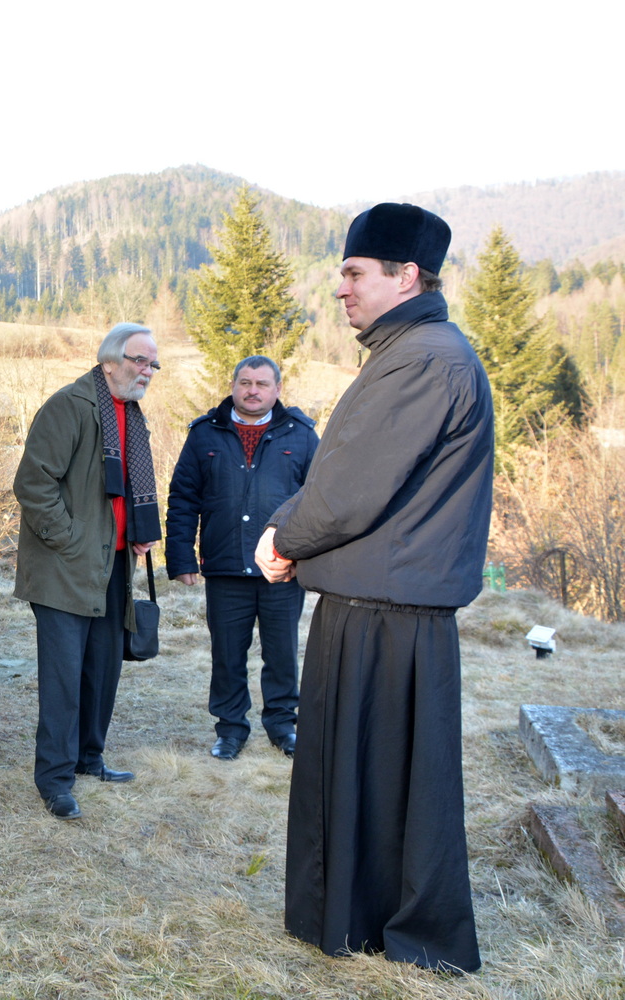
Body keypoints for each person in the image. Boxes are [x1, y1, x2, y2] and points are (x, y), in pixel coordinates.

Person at [255, 203, 492, 973]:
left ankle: (404, 933)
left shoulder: (425, 357)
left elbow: (351, 486)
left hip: (390, 614)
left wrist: (283, 539)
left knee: (388, 784)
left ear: (407, 275)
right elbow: (343, 468)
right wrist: (290, 530)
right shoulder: (411, 349)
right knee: (371, 779)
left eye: (355, 273)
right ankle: (358, 921)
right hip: (380, 606)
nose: (342, 290)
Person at [13, 322, 160, 820]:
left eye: (152, 363)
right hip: (65, 567)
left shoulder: (131, 415)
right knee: (63, 677)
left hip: (113, 563)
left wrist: (138, 529)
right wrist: (70, 540)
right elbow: (34, 484)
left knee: (103, 668)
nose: (148, 371)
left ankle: (89, 758)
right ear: (109, 362)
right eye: (140, 361)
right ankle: (54, 780)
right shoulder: (69, 407)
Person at [166, 356, 318, 761]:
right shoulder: (205, 434)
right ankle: (230, 730)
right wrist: (180, 558)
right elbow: (183, 498)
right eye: (246, 382)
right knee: (227, 654)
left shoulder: (302, 436)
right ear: (233, 385)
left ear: (277, 389)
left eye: (262, 384)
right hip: (224, 565)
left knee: (281, 651)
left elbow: (318, 502)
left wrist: (307, 559)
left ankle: (283, 725)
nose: (253, 390)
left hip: (282, 569)